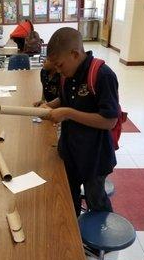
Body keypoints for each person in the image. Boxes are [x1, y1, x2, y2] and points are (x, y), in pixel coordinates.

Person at [41, 27, 119, 217]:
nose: (58, 70)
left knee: (96, 200)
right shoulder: (67, 74)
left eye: (59, 65)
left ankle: (100, 243)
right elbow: (66, 99)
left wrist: (68, 113)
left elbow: (109, 121)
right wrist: (50, 105)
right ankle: (73, 235)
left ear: (75, 54)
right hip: (70, 151)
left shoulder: (102, 75)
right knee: (69, 197)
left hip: (95, 156)